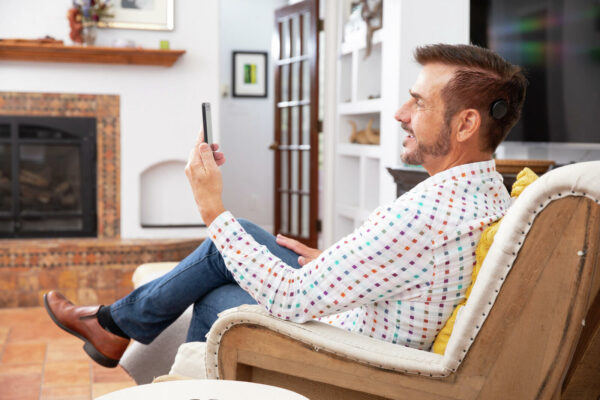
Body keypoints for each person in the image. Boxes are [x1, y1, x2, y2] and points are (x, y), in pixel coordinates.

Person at [44, 43, 527, 368]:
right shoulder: (489, 191)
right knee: (246, 236)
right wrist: (339, 262)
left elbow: (291, 300)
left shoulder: (425, 212)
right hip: (368, 308)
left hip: (347, 348)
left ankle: (123, 335)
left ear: (465, 125)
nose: (400, 114)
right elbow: (418, 273)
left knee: (218, 280)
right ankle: (113, 325)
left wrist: (212, 209)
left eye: (418, 104)